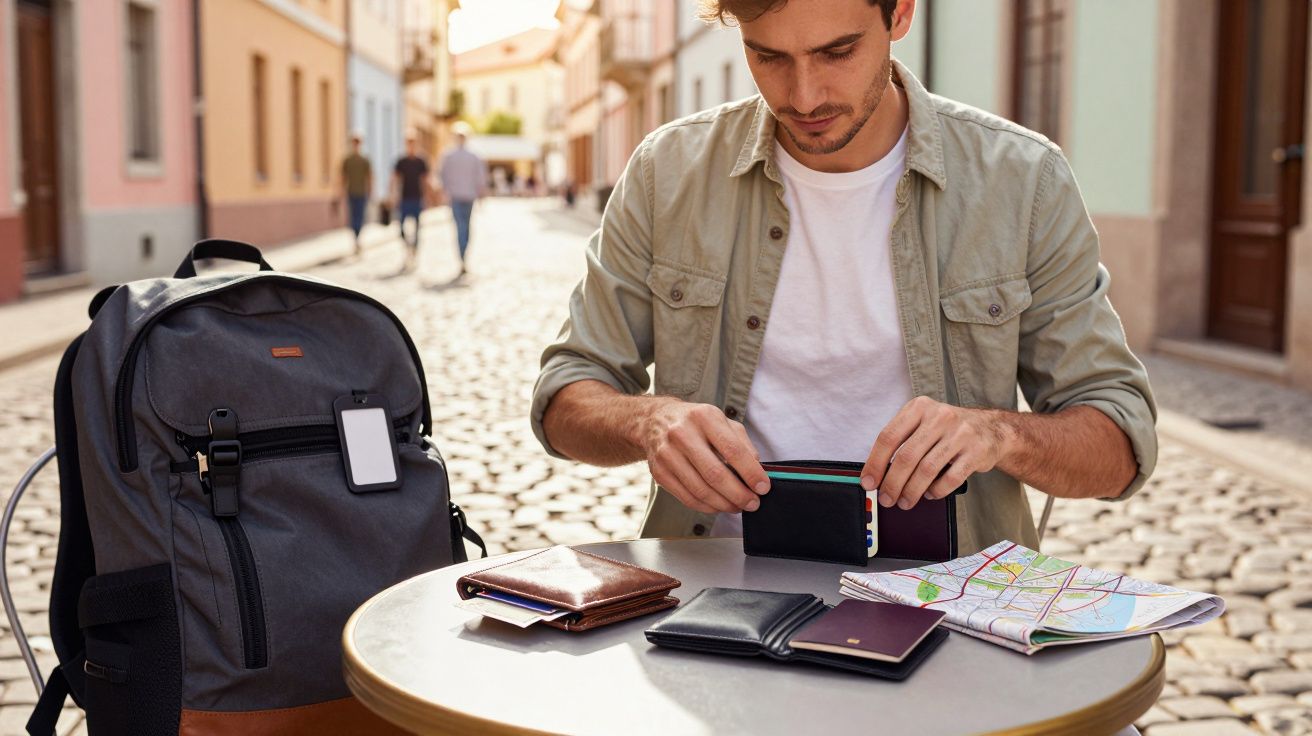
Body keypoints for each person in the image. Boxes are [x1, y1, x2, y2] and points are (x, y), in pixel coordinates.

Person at [530, 0, 1158, 555]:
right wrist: (648, 422)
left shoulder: (1022, 180)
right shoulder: (667, 171)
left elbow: (1120, 441)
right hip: (714, 595)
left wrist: (998, 434)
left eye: (838, 52)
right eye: (767, 56)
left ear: (901, 14)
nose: (803, 96)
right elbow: (564, 397)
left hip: (949, 598)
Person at [439, 122, 489, 276]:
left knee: (461, 227)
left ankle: (462, 256)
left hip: (459, 196)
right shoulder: (473, 156)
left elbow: (442, 177)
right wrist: (481, 196)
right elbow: (480, 179)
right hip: (465, 196)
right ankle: (463, 255)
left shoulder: (449, 155)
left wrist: (444, 192)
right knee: (465, 227)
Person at [392, 135, 431, 271]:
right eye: (409, 143)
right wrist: (394, 195)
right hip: (404, 198)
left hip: (417, 198)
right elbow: (395, 179)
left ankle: (414, 251)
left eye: (413, 143)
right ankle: (407, 247)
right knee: (401, 227)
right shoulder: (401, 161)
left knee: (417, 227)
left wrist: (426, 197)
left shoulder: (421, 161)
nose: (411, 146)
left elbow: (425, 180)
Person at [339, 133, 372, 256]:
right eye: (354, 143)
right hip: (351, 192)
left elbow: (369, 177)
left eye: (357, 143)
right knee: (353, 217)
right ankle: (356, 239)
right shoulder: (347, 160)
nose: (356, 145)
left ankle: (358, 238)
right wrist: (340, 192)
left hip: (362, 192)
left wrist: (370, 191)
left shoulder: (364, 160)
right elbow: (343, 177)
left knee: (360, 216)